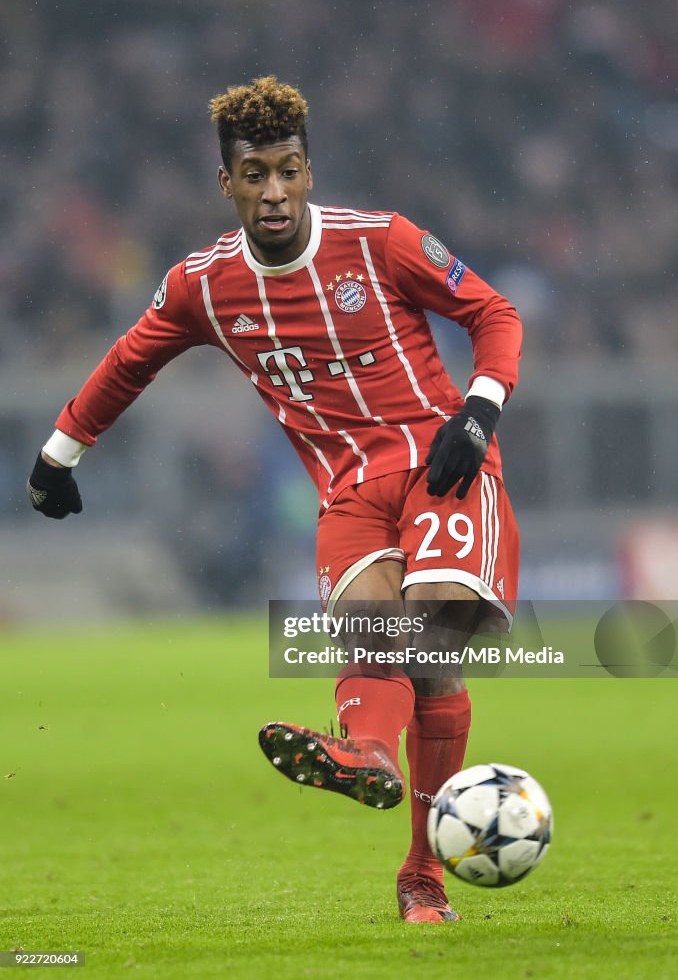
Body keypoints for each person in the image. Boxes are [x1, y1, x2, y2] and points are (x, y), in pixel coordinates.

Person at [27, 76, 522, 924]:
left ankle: (421, 876)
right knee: (378, 637)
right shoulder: (203, 284)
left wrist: (477, 412)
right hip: (348, 493)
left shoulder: (382, 241)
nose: (275, 191)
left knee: (432, 636)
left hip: (440, 460)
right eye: (255, 174)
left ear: (309, 169)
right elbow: (128, 361)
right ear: (227, 183)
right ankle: (365, 751)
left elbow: (493, 312)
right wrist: (59, 453)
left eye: (288, 170)